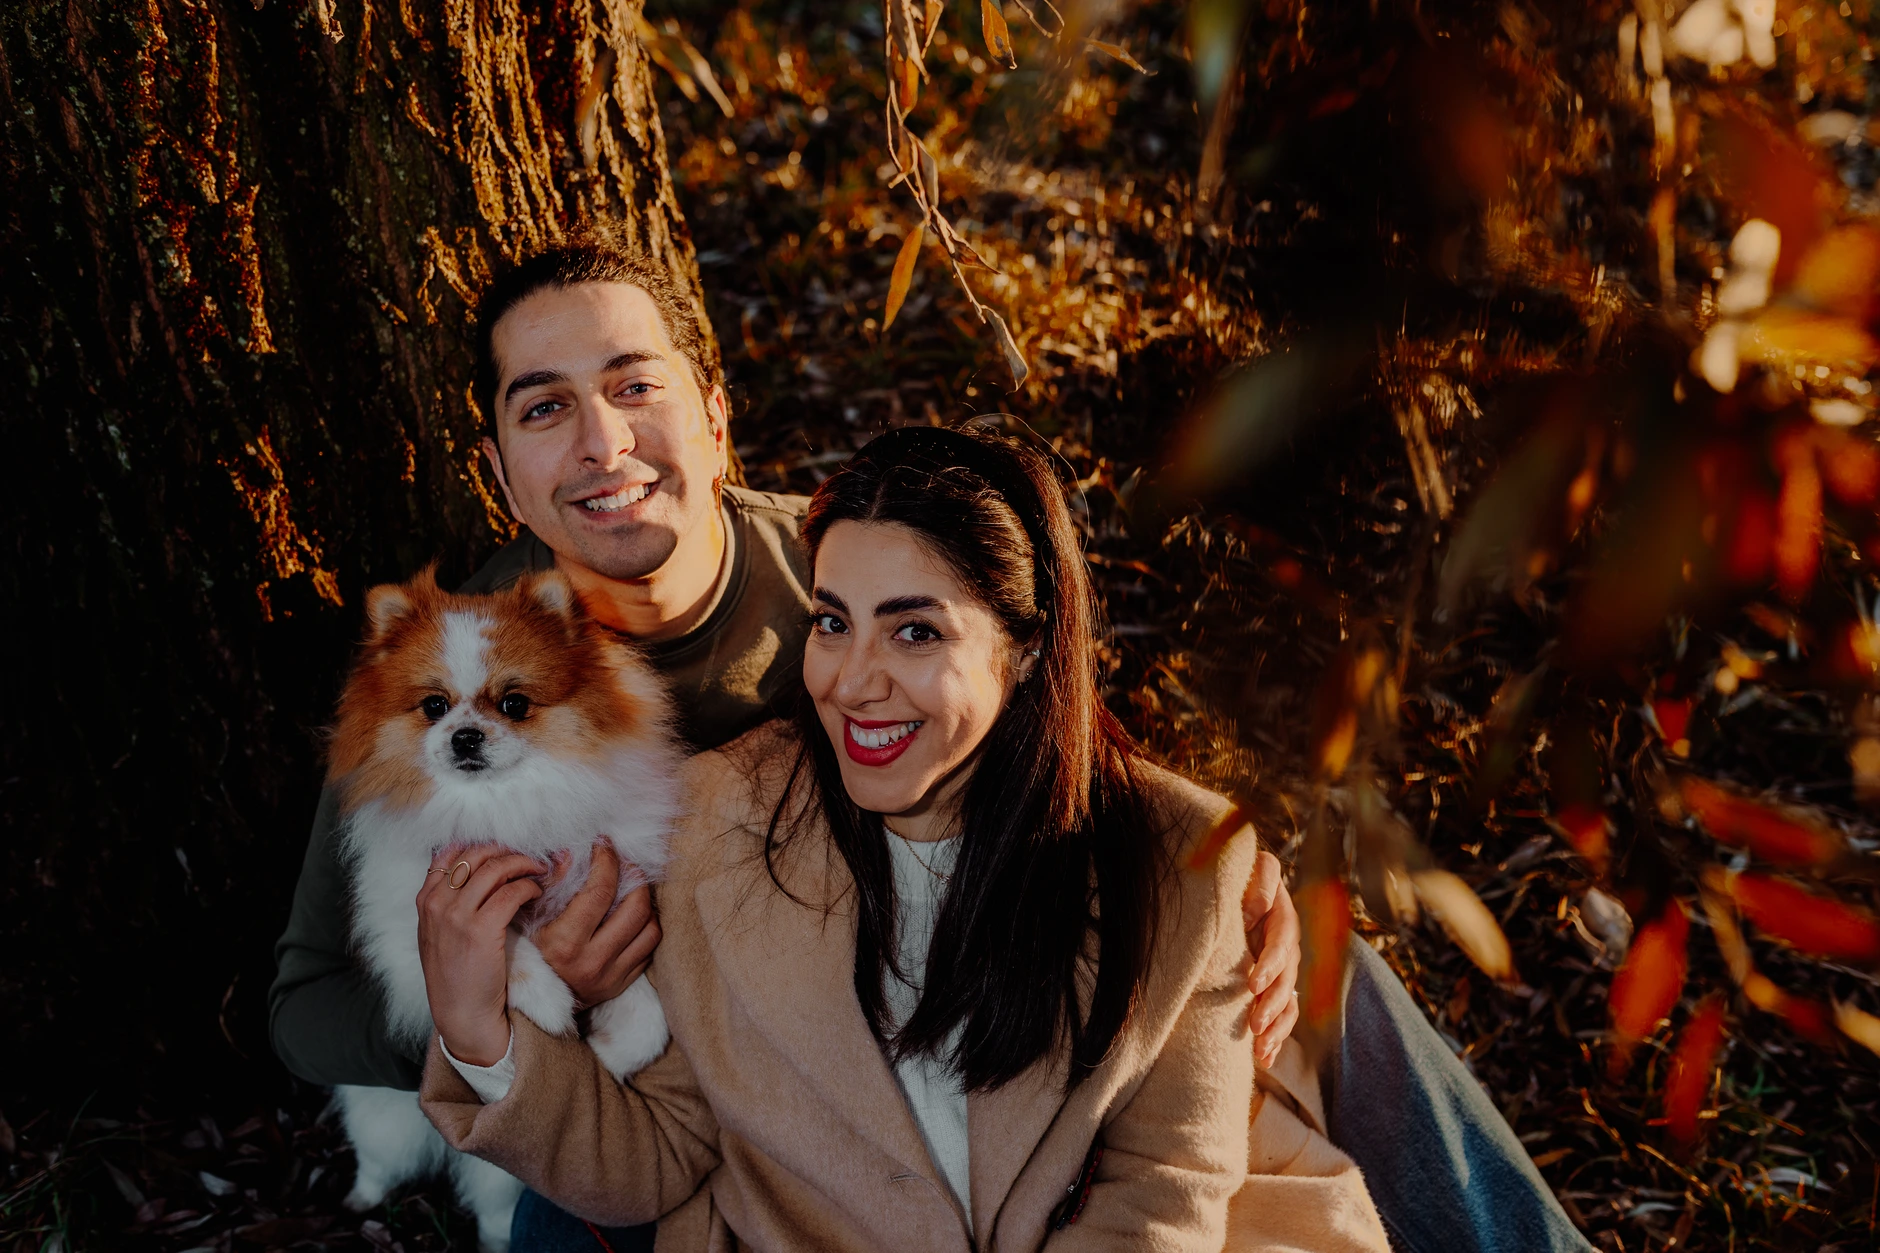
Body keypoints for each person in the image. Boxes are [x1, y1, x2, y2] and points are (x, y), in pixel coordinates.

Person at [269, 228, 1592, 1253]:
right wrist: (519, 993)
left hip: (927, 969)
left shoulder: (833, 564)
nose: (602, 442)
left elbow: (1018, 692)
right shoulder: (452, 676)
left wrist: (1222, 862)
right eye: (544, 406)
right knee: (565, 1177)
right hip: (671, 1046)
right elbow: (304, 1002)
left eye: (632, 385)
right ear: (501, 462)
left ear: (714, 413)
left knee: (1304, 961)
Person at [413, 425, 1389, 1251]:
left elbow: (1163, 1184)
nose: (852, 680)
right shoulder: (711, 820)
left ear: (1025, 645)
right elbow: (659, 1154)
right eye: (832, 622)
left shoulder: (1179, 855)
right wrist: (478, 1031)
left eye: (915, 631)